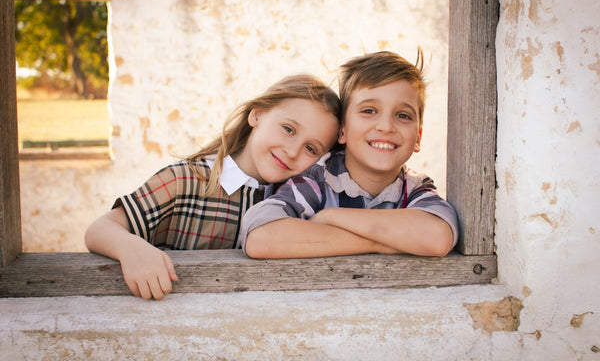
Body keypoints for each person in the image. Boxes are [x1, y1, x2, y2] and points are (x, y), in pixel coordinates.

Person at [85, 75, 341, 299]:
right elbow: (99, 229)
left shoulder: (300, 203)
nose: (293, 151)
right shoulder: (186, 181)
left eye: (311, 148)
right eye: (288, 129)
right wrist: (131, 249)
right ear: (257, 114)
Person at [240, 50, 458, 259]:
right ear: (342, 130)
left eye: (403, 115)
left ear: (418, 137)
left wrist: (331, 217)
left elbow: (438, 238)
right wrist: (380, 243)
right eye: (369, 111)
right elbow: (261, 237)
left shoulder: (415, 188)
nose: (385, 126)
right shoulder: (316, 183)